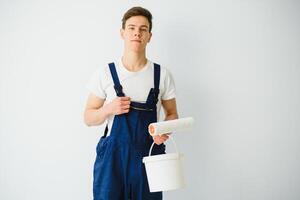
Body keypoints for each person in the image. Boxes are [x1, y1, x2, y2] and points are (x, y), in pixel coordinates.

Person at [84, 6, 178, 200]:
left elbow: (172, 113)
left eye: (143, 29)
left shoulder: (161, 75)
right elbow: (88, 117)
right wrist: (108, 109)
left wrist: (164, 130)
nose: (137, 33)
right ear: (122, 33)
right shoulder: (105, 74)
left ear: (149, 36)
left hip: (149, 157)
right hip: (112, 161)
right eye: (132, 28)